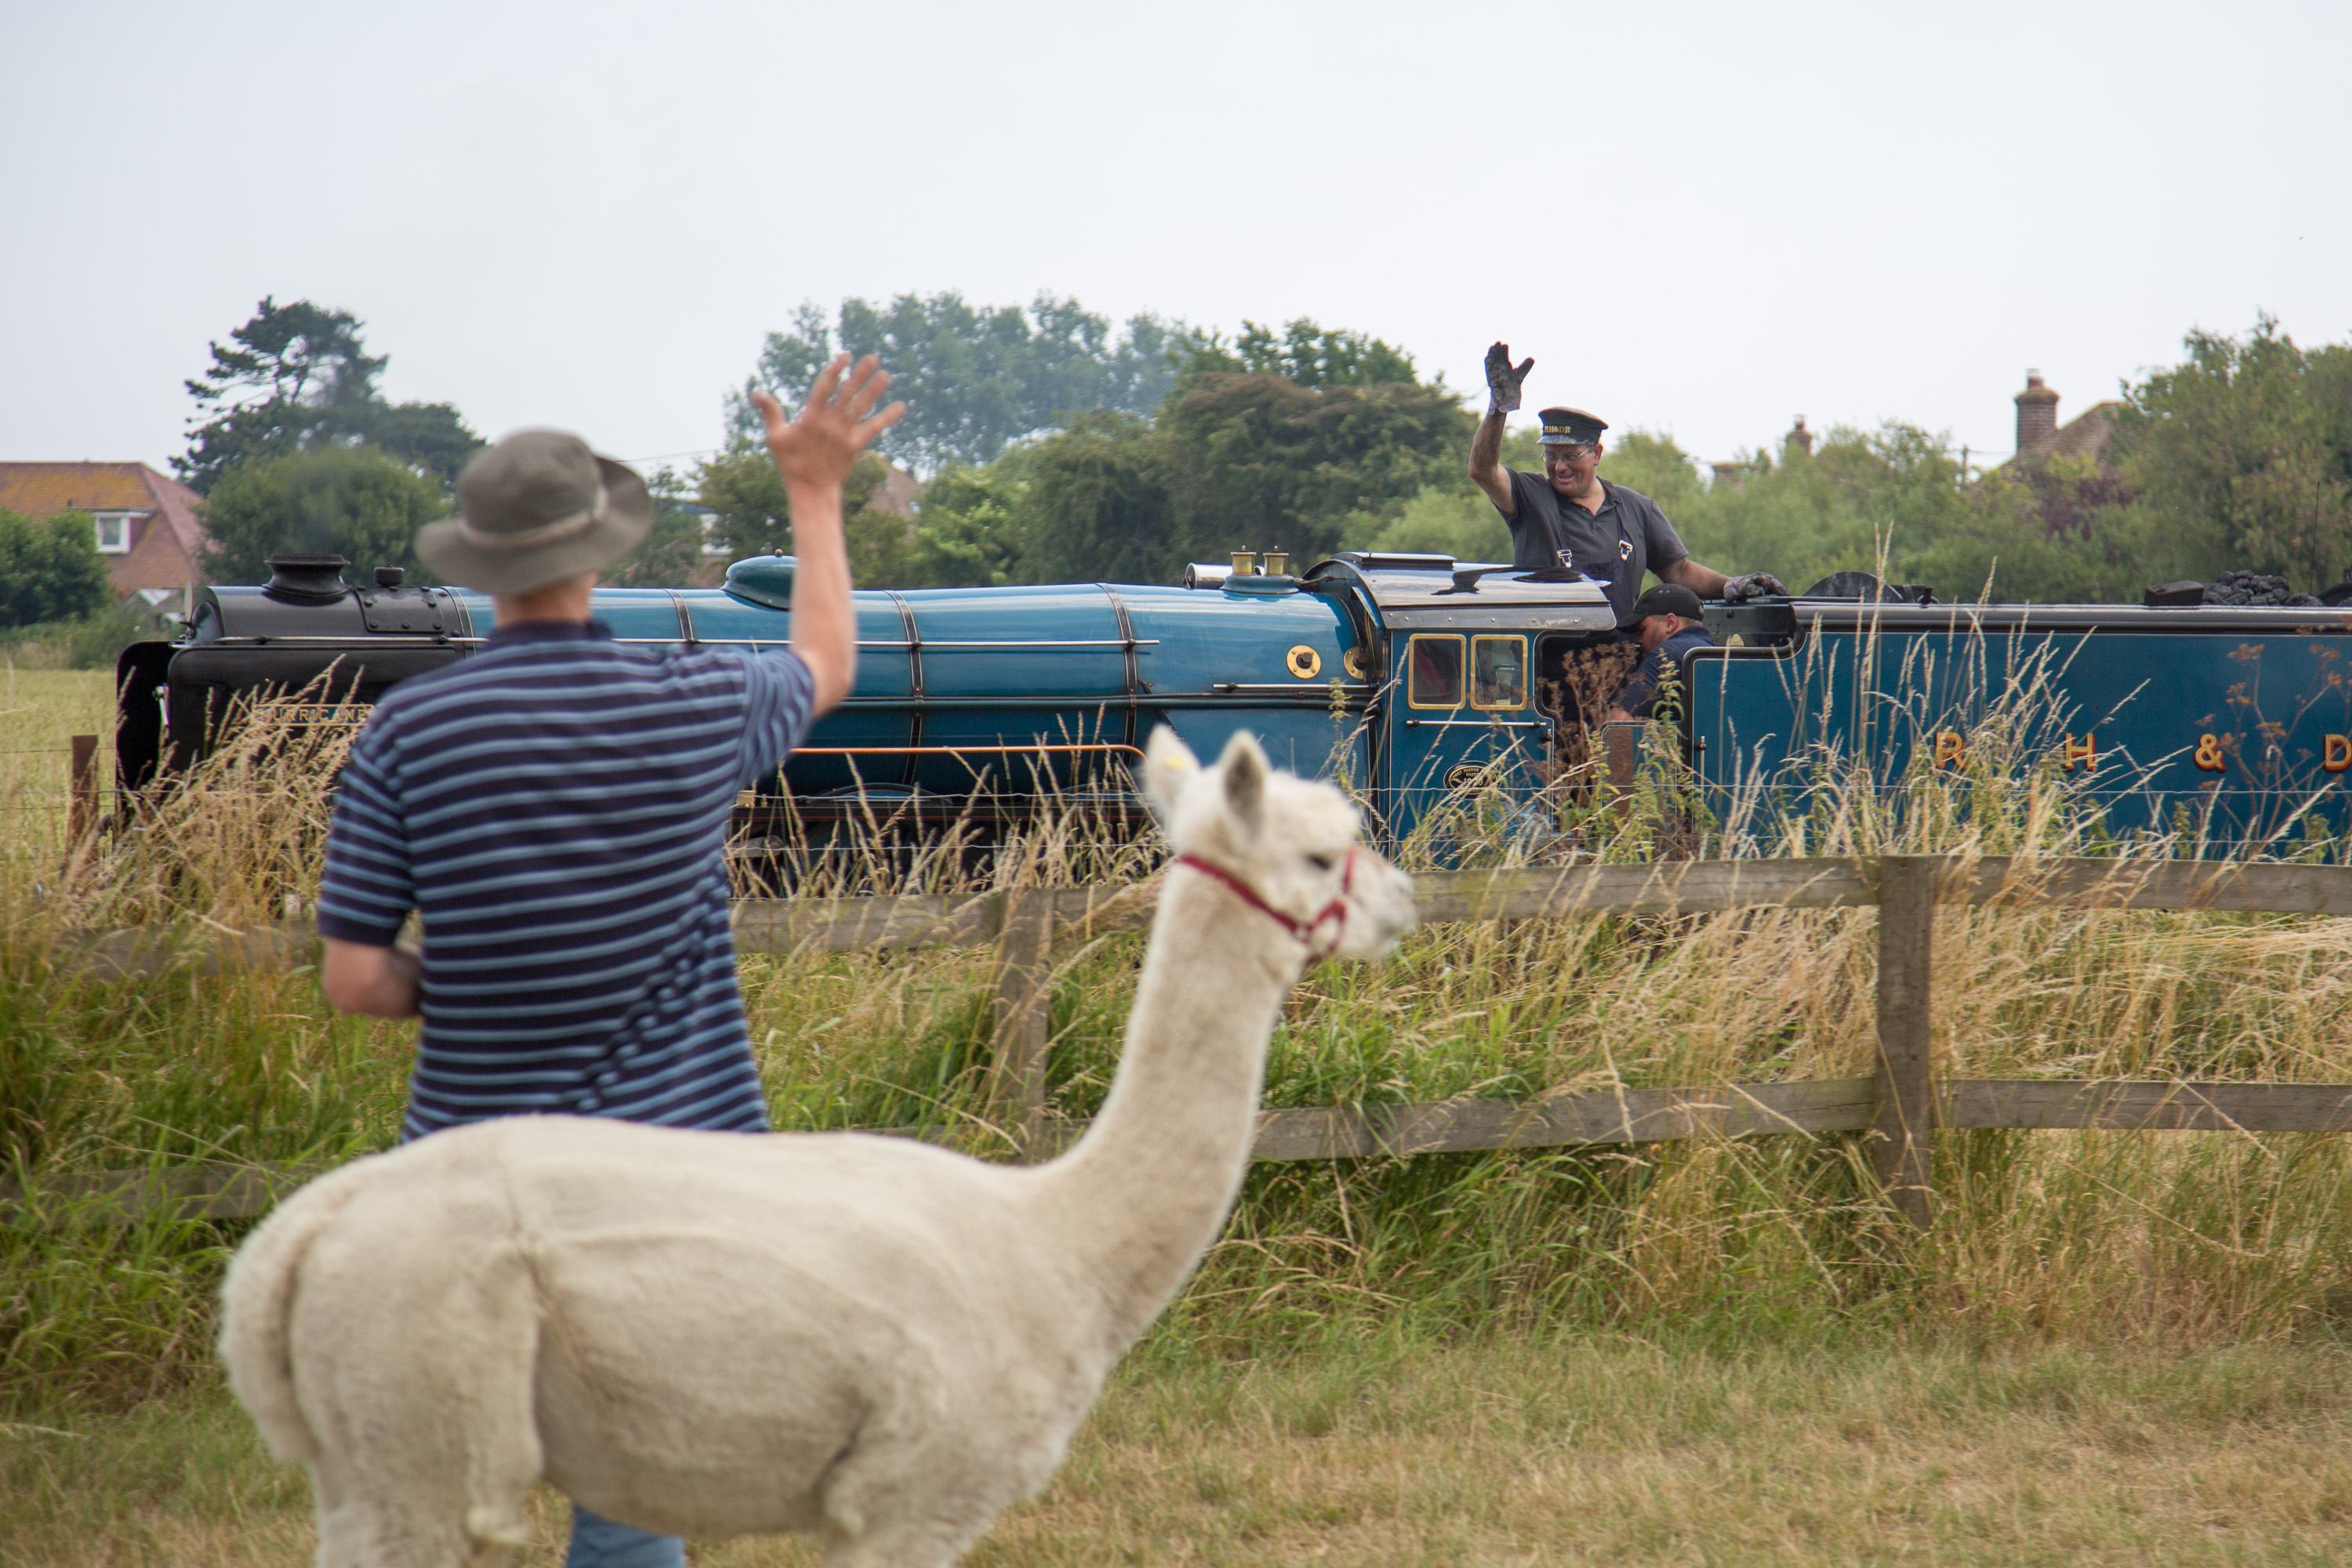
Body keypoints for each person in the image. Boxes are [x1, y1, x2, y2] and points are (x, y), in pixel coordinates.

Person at [312, 355, 904, 1568]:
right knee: (630, 1508)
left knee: (419, 1519)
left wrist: (469, 984)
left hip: (467, 1190)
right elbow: (829, 663)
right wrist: (814, 490)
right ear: (598, 557)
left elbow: (356, 980)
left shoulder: (406, 733)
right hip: (668, 1192)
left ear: (478, 565)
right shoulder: (692, 699)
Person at [1469, 341, 1785, 622]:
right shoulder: (1531, 497)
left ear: (1596, 454)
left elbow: (1679, 572)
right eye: (1551, 456)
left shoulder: (1637, 509)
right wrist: (1499, 409)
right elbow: (1483, 470)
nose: (1559, 467)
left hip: (1618, 660)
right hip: (1545, 660)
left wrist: (1731, 585)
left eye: (1570, 456)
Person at [1606, 582, 1715, 723]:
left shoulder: (1666, 654)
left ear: (1670, 623)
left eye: (1642, 630)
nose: (1637, 640)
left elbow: (1620, 722)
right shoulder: (1717, 654)